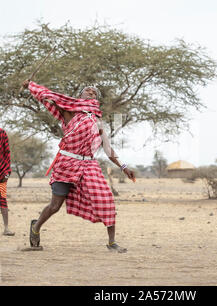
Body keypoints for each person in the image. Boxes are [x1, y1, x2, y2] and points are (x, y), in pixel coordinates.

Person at [22, 79, 135, 253]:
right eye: (87, 90)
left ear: (97, 100)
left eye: (94, 92)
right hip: (66, 164)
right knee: (55, 206)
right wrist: (30, 86)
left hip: (88, 165)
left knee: (106, 200)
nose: (91, 92)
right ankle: (36, 227)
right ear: (79, 96)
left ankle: (112, 243)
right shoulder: (70, 112)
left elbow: (107, 148)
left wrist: (123, 166)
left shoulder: (98, 122)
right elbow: (48, 98)